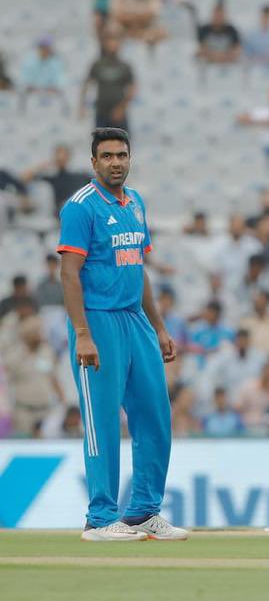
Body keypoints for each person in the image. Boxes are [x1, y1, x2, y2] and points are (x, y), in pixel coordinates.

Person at [57, 128, 186, 541]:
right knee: (104, 421)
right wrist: (82, 333)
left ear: (130, 158)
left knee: (155, 415)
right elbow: (68, 274)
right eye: (107, 155)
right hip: (98, 321)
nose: (116, 162)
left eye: (122, 154)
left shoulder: (136, 203)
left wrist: (160, 326)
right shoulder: (80, 208)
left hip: (135, 320)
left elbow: (138, 268)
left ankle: (144, 511)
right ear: (93, 162)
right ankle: (100, 517)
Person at [80, 35, 134, 132]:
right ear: (105, 44)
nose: (112, 44)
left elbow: (132, 89)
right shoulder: (98, 64)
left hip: (119, 113)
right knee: (100, 144)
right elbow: (87, 85)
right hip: (101, 112)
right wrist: (82, 106)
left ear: (119, 45)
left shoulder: (124, 66)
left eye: (115, 41)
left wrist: (121, 108)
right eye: (110, 41)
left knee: (123, 144)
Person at [22, 144, 92, 214]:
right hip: (61, 215)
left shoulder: (80, 175)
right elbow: (24, 178)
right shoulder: (53, 177)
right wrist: (45, 165)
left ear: (68, 157)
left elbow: (99, 182)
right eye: (58, 155)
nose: (61, 158)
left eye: (64, 155)